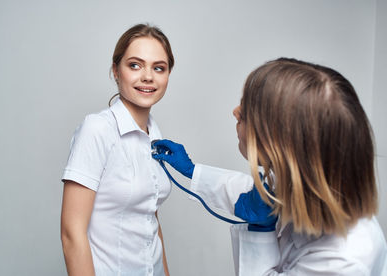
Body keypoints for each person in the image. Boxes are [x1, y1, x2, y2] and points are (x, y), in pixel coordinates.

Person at [152, 58, 387, 275]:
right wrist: (193, 171)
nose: (235, 112)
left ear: (279, 141)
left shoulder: (344, 261)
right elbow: (259, 195)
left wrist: (261, 232)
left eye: (245, 113)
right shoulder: (308, 183)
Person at [60, 23, 174, 276]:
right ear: (115, 70)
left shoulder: (155, 134)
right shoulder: (97, 129)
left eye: (159, 68)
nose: (148, 76)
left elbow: (149, 219)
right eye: (135, 65)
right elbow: (71, 233)